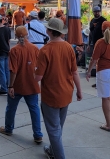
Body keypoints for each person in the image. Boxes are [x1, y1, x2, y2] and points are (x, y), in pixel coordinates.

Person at [35, 18, 82, 159]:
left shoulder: (45, 51)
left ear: (48, 31)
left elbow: (38, 77)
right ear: (61, 32)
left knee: (54, 130)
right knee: (58, 127)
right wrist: (79, 90)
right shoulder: (68, 47)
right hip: (66, 93)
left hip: (51, 96)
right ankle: (52, 150)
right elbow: (75, 72)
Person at [0, 26, 43, 144]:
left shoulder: (14, 50)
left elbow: (13, 70)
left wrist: (10, 86)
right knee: (34, 109)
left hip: (17, 85)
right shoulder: (34, 48)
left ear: (16, 36)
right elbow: (39, 66)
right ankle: (38, 134)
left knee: (11, 108)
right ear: (27, 34)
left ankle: (8, 129)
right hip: (32, 84)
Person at [85, 21, 110, 132]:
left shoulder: (100, 42)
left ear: (102, 31)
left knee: (105, 97)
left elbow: (94, 59)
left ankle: (107, 124)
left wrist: (88, 72)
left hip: (104, 71)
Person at [87, 6, 107, 87]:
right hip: (95, 44)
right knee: (96, 63)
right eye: (95, 11)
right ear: (93, 12)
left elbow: (107, 32)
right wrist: (89, 44)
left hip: (103, 44)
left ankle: (103, 81)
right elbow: (91, 34)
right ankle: (98, 81)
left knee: (102, 63)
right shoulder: (92, 21)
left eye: (98, 11)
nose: (97, 13)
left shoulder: (103, 20)